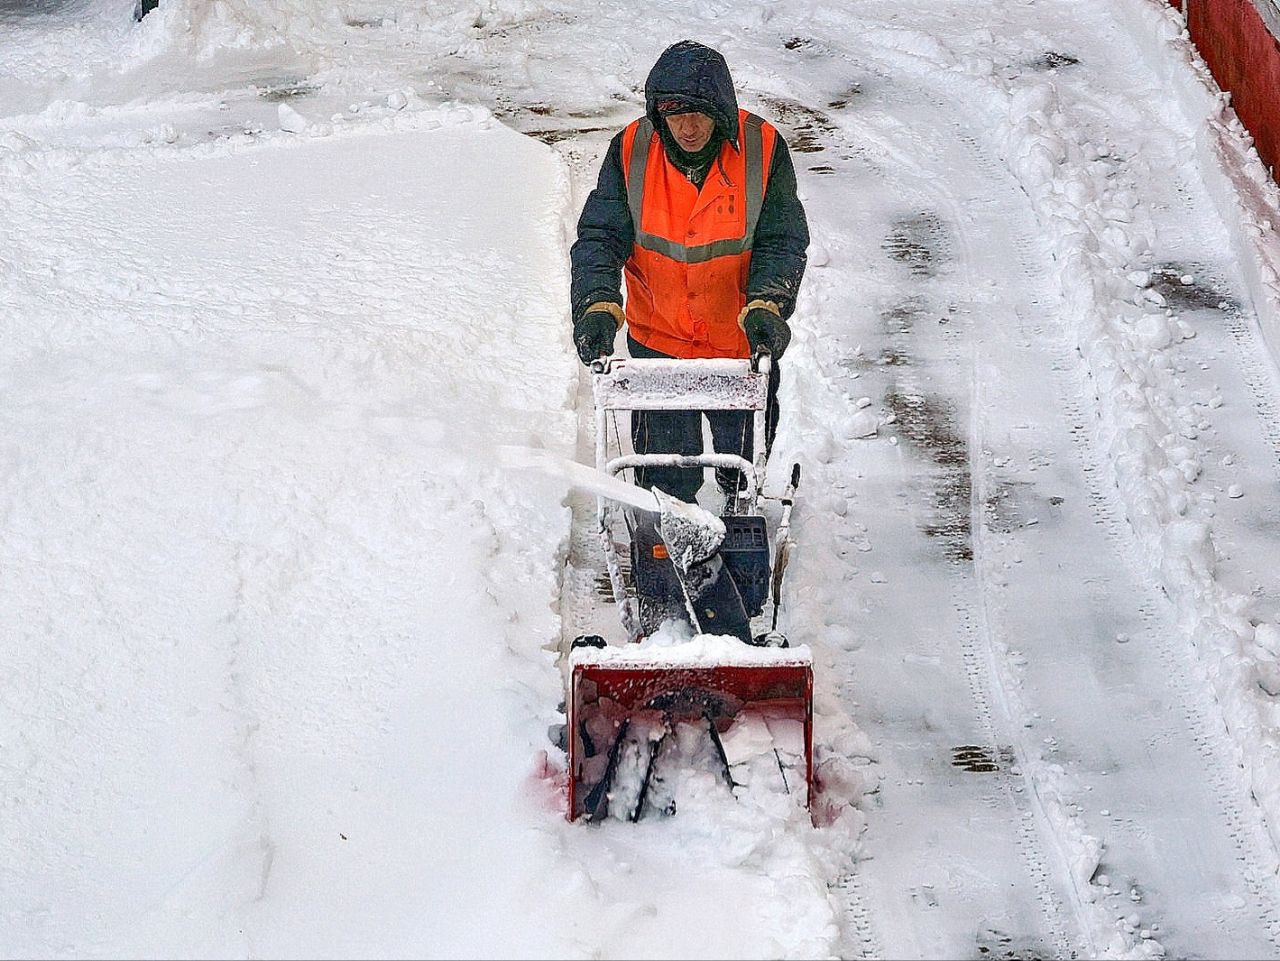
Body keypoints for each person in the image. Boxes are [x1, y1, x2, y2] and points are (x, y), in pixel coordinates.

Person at [570, 39, 809, 506]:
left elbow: (782, 238)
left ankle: (738, 501)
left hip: (740, 341)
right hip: (658, 338)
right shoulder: (632, 151)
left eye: (700, 113)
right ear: (659, 113)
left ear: (721, 110)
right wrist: (597, 304)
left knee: (741, 459)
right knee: (664, 471)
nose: (689, 127)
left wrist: (769, 303)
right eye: (676, 114)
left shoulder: (761, 149)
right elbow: (600, 236)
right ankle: (675, 527)